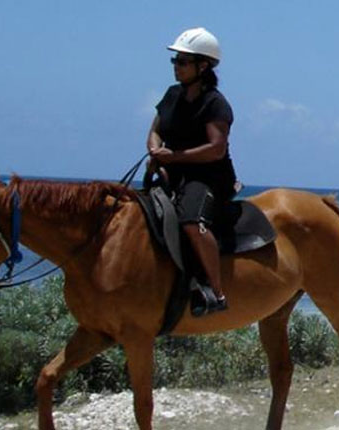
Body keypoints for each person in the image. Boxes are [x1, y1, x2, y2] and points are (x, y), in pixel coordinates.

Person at [147, 27, 236, 317]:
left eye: (183, 61)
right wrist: (155, 151)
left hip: (208, 177)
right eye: (175, 60)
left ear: (203, 66)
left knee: (191, 223)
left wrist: (174, 157)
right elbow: (155, 130)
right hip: (172, 173)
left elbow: (216, 149)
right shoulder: (172, 95)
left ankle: (216, 292)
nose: (176, 66)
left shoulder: (215, 104)